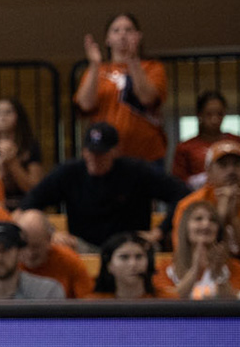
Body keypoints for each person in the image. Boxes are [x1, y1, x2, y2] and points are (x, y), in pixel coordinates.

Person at [18, 121, 188, 248]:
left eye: (101, 153)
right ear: (83, 151)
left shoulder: (136, 171)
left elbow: (182, 194)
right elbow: (30, 202)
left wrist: (158, 232)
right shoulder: (69, 173)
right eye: (90, 152)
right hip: (83, 246)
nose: (94, 158)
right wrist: (52, 232)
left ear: (115, 151)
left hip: (130, 244)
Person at [75, 12, 167, 164]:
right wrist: (95, 65)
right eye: (116, 30)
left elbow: (147, 99)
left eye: (128, 30)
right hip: (105, 156)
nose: (122, 35)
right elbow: (84, 105)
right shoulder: (97, 71)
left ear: (138, 36)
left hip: (147, 156)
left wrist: (133, 62)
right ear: (108, 39)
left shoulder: (152, 67)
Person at [173, 142, 240, 267]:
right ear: (208, 172)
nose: (231, 170)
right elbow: (184, 256)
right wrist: (220, 217)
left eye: (237, 164)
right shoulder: (190, 205)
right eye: (223, 165)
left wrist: (234, 219)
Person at [165, 200, 240, 299]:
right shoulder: (165, 268)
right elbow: (167, 303)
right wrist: (195, 271)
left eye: (213, 220)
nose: (206, 224)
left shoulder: (235, 267)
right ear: (185, 227)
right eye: (198, 219)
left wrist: (218, 273)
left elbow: (238, 304)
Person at [12, 208, 94, 298]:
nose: (30, 253)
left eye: (36, 247)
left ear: (49, 239)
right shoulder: (10, 263)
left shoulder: (68, 261)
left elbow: (87, 299)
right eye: (24, 246)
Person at [173, 92, 240, 189]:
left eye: (219, 114)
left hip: (236, 194)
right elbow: (178, 180)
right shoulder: (185, 147)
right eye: (209, 114)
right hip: (198, 195)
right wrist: (198, 181)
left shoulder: (236, 142)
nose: (214, 119)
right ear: (199, 115)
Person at [92, 232, 165, 299]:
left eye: (139, 256)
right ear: (109, 265)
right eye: (124, 257)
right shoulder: (93, 303)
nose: (133, 264)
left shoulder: (166, 299)